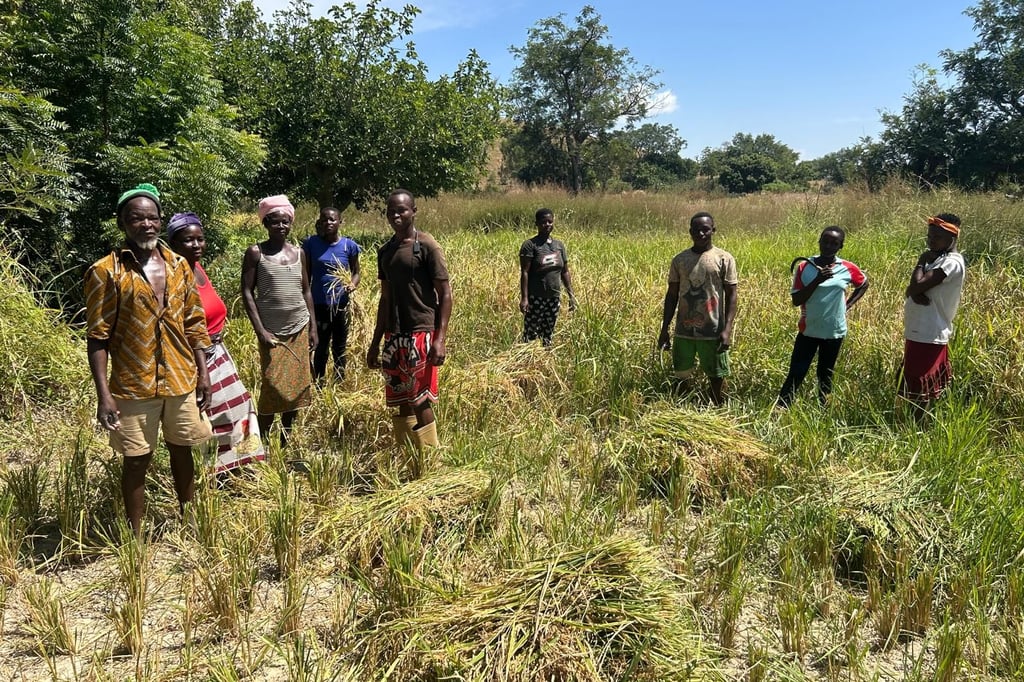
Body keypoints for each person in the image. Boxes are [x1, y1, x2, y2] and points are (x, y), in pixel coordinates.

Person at [85, 183, 212, 534]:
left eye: (153, 218)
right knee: (137, 459)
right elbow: (97, 337)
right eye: (136, 218)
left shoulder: (179, 266)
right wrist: (104, 395)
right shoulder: (106, 271)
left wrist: (203, 372)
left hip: (181, 376)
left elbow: (194, 322)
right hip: (132, 383)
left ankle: (190, 521)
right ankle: (136, 535)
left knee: (183, 449)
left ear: (160, 221)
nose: (146, 225)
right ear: (123, 222)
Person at [167, 212, 266, 476]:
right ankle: (215, 471)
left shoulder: (197, 268)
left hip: (218, 353)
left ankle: (242, 465)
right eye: (188, 240)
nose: (196, 245)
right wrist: (200, 371)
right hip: (195, 358)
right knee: (208, 417)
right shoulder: (173, 276)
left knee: (241, 407)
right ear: (173, 244)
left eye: (200, 239)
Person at [366, 189, 452, 456]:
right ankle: (408, 457)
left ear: (414, 211)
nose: (396, 215)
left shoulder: (427, 246)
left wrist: (439, 339)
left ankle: (430, 460)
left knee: (421, 399)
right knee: (401, 399)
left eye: (402, 210)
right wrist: (375, 342)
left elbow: (445, 294)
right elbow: (385, 298)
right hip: (394, 335)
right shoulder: (387, 250)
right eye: (391, 211)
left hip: (421, 332)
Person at [241, 195, 317, 448]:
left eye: (286, 222)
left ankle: (285, 441)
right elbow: (247, 292)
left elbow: (306, 290)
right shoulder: (256, 253)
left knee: (296, 388)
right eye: (275, 222)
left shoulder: (299, 253)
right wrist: (260, 330)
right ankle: (261, 442)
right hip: (272, 332)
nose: (281, 227)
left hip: (300, 328)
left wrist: (313, 326)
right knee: (272, 386)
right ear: (266, 223)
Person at [777, 227, 869, 408]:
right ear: (819, 241)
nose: (828, 246)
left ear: (840, 246)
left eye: (834, 243)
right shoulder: (805, 267)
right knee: (797, 372)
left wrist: (848, 305)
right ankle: (781, 409)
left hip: (834, 332)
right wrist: (817, 280)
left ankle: (824, 411)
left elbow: (863, 284)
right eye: (825, 241)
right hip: (808, 330)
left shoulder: (847, 268)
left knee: (825, 374)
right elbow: (797, 300)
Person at [658, 212, 738, 406]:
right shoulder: (680, 260)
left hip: (713, 331)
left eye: (706, 229)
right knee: (681, 374)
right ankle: (682, 408)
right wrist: (664, 329)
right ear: (690, 232)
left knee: (716, 375)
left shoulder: (724, 258)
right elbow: (672, 295)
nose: (701, 234)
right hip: (684, 331)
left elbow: (732, 295)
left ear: (713, 230)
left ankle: (718, 410)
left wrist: (727, 329)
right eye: (696, 230)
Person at [900, 213, 966, 417]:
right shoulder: (938, 259)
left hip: (930, 332)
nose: (930, 241)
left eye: (936, 237)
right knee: (915, 383)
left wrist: (920, 264)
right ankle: (914, 425)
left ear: (952, 239)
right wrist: (915, 291)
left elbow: (916, 286)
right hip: (920, 329)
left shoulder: (951, 262)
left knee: (922, 387)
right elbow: (912, 290)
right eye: (929, 236)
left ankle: (917, 429)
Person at [302, 207, 361, 382]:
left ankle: (339, 382)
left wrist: (352, 284)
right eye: (325, 220)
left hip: (341, 304)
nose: (328, 223)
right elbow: (306, 274)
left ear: (340, 222)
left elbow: (356, 271)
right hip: (319, 304)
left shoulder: (348, 246)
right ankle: (319, 383)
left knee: (340, 346)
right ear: (320, 222)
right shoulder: (311, 244)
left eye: (332, 220)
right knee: (320, 347)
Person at [519, 208, 577, 346]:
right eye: (543, 222)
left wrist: (571, 295)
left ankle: (546, 358)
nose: (547, 225)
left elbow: (565, 272)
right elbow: (525, 272)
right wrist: (525, 298)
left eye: (550, 222)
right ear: (537, 224)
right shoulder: (530, 245)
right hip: (536, 298)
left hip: (553, 297)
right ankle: (526, 360)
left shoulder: (559, 246)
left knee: (548, 332)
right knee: (531, 332)